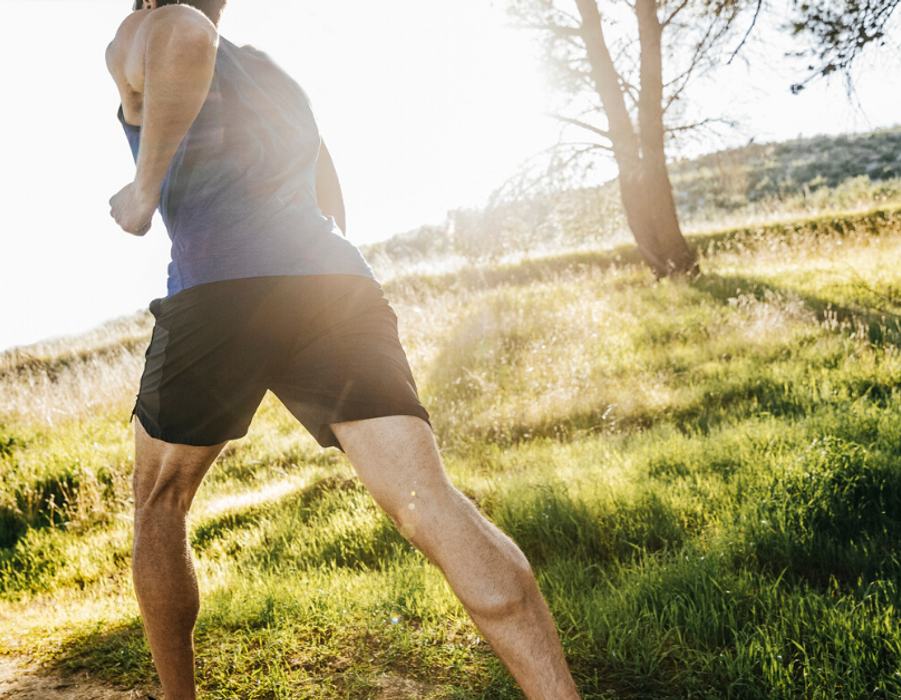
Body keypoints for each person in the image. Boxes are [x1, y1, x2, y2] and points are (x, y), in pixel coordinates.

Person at [106, 2, 582, 698]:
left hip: (219, 292)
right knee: (432, 504)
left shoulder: (151, 25)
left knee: (159, 500)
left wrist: (145, 191)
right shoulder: (273, 74)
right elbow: (329, 198)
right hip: (332, 287)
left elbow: (181, 35)